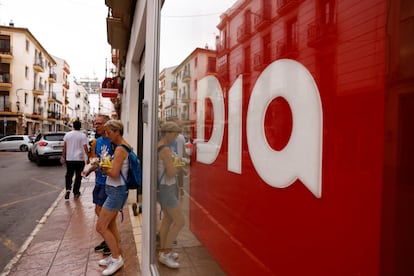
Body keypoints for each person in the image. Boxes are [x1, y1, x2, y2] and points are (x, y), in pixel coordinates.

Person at [96, 120, 129, 275]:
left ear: (117, 132)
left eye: (109, 132)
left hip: (116, 191)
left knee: (101, 227)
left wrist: (103, 167)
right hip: (114, 190)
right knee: (110, 225)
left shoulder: (120, 149)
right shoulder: (120, 147)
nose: (107, 135)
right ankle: (114, 254)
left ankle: (116, 259)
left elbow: (114, 173)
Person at [84, 114, 114, 256]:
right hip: (99, 182)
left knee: (106, 216)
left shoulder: (113, 141)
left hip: (110, 182)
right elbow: (96, 161)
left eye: (99, 123)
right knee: (98, 211)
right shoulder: (97, 141)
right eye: (95, 123)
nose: (96, 126)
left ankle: (111, 242)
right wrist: (89, 169)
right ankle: (108, 239)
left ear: (107, 124)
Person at [157, 122, 186, 269]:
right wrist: (180, 166)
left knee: (167, 221)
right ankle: (165, 252)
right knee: (180, 222)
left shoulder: (160, 146)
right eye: (175, 134)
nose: (176, 137)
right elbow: (170, 172)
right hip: (167, 188)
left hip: (165, 187)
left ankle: (164, 251)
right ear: (167, 133)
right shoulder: (165, 149)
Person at [62, 120, 89, 200]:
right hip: (79, 159)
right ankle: (76, 192)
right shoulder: (82, 135)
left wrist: (63, 156)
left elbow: (65, 146)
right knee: (78, 176)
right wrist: (88, 157)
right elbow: (85, 147)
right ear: (80, 126)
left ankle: (68, 190)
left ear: (73, 126)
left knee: (69, 175)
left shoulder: (68, 135)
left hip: (69, 159)